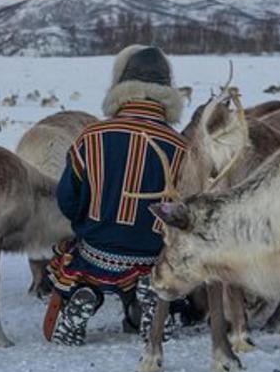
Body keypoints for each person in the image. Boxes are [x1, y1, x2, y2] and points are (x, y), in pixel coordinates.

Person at [43, 44, 188, 346]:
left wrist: (87, 221)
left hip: (98, 247)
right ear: (167, 93)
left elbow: (68, 198)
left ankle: (87, 295)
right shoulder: (181, 146)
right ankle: (153, 297)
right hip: (151, 250)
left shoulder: (92, 136)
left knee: (81, 267)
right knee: (165, 270)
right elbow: (184, 209)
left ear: (122, 88)